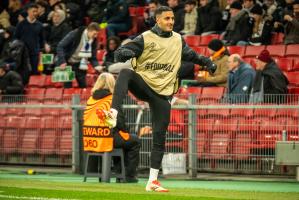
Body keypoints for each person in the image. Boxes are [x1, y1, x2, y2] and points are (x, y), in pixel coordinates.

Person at [99, 6, 216, 192]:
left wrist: (207, 62)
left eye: (172, 18)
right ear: (158, 20)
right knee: (126, 72)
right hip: (144, 85)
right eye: (167, 18)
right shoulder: (145, 38)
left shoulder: (177, 39)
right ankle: (112, 112)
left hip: (164, 94)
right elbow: (119, 53)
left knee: (159, 137)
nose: (171, 21)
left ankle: (152, 181)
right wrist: (125, 54)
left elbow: (191, 55)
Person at [83, 73, 140, 183]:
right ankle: (128, 176)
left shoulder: (91, 99)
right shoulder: (112, 99)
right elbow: (119, 122)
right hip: (106, 138)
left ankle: (120, 174)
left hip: (91, 139)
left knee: (122, 139)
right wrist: (126, 131)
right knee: (134, 141)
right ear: (112, 84)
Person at [56, 22, 102, 88]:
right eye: (94, 34)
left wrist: (97, 66)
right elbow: (60, 46)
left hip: (80, 64)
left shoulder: (93, 41)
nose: (96, 36)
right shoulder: (75, 34)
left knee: (83, 86)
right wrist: (62, 61)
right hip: (68, 63)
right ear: (89, 30)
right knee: (67, 87)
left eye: (97, 34)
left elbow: (93, 57)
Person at [14, 3, 44, 75]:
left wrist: (41, 51)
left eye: (36, 11)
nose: (35, 13)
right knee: (24, 73)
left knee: (35, 72)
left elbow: (42, 39)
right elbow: (15, 38)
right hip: (23, 53)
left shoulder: (40, 25)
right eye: (33, 11)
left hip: (35, 53)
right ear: (28, 11)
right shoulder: (21, 24)